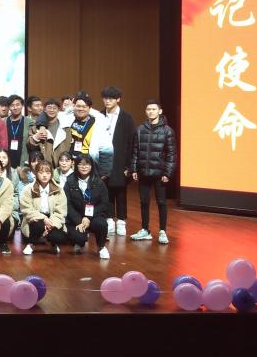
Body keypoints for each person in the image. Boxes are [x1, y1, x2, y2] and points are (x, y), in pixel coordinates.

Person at [130, 99, 177, 245]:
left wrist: (167, 173)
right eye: (148, 109)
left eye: (154, 109)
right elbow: (135, 151)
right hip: (143, 171)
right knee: (144, 202)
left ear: (160, 111)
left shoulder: (167, 131)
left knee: (161, 202)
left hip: (159, 173)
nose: (151, 112)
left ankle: (162, 231)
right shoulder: (140, 129)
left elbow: (171, 154)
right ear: (146, 112)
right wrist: (134, 168)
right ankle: (145, 230)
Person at [101, 86, 136, 237]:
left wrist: (129, 165)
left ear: (118, 99)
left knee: (121, 192)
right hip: (104, 160)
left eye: (111, 98)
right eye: (105, 98)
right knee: (106, 191)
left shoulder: (127, 118)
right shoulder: (99, 116)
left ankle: (121, 221)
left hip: (121, 161)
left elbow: (132, 143)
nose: (107, 101)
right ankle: (109, 220)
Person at [63, 153, 111, 258]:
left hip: (93, 216)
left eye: (87, 164)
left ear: (91, 166)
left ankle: (101, 247)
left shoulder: (99, 182)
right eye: (80, 164)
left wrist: (88, 217)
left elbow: (104, 204)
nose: (84, 167)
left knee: (101, 224)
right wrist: (79, 220)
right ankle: (79, 243)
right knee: (78, 237)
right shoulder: (70, 181)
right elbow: (67, 204)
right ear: (76, 166)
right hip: (76, 217)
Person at [56, 93, 114, 179]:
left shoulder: (99, 123)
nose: (81, 109)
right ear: (73, 106)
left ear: (89, 108)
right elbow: (46, 115)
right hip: (67, 165)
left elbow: (106, 149)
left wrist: (104, 172)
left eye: (84, 106)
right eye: (78, 106)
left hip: (88, 166)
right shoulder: (66, 118)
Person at [18, 160, 68, 255]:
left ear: (51, 174)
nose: (44, 175)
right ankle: (31, 244)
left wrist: (51, 224)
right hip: (35, 218)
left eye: (48, 173)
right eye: (41, 172)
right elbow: (26, 209)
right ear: (36, 173)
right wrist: (44, 219)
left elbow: (61, 211)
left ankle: (53, 243)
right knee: (37, 225)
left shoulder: (59, 189)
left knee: (59, 237)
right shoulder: (28, 189)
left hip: (53, 218)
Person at [5, 94, 27, 169]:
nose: (15, 107)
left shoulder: (29, 122)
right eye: (12, 105)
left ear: (22, 106)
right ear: (9, 107)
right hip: (6, 159)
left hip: (23, 160)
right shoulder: (3, 121)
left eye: (18, 105)